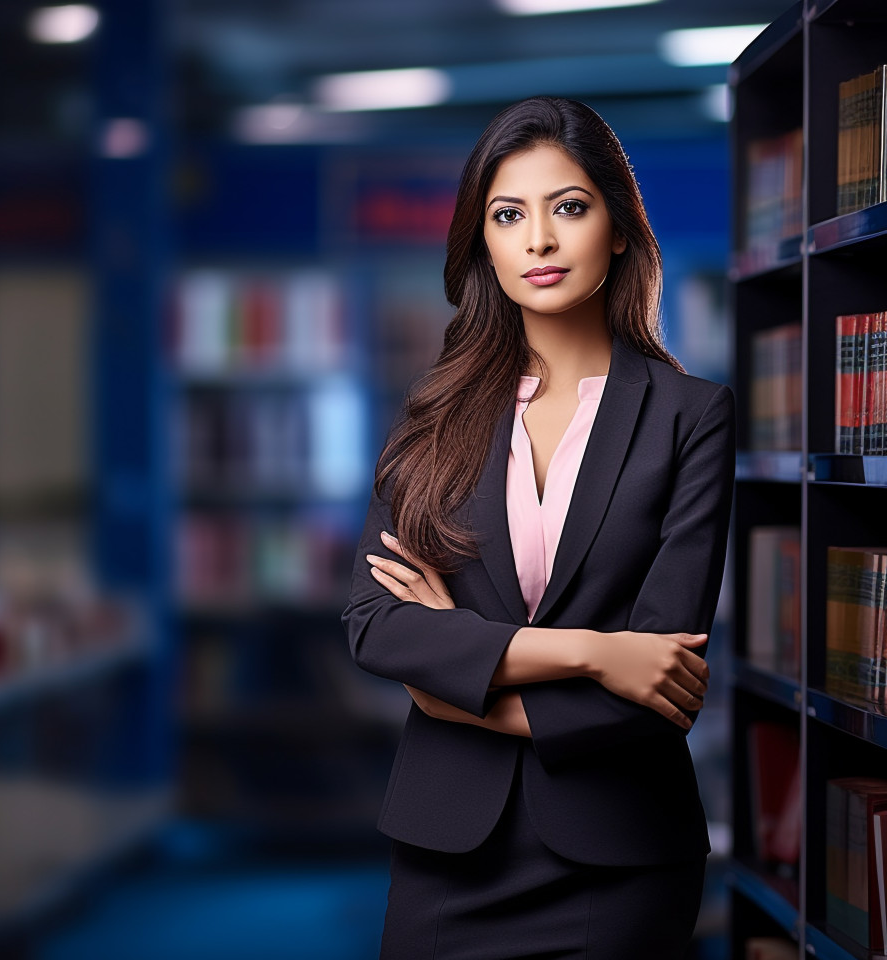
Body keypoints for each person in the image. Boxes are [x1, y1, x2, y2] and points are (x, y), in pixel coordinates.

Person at [340, 96, 735, 960]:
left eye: (569, 208)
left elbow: (661, 680)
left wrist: (456, 674)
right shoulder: (432, 411)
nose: (539, 242)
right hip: (449, 855)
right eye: (508, 215)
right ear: (482, 240)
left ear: (620, 228)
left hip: (620, 858)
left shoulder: (691, 416)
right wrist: (595, 653)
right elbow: (374, 625)